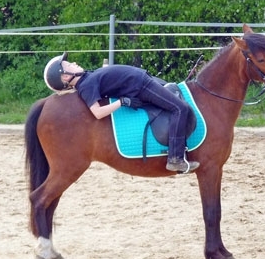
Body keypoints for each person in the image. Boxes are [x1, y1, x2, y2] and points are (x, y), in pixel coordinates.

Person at [43, 52, 200, 173]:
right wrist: (122, 102)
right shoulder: (85, 86)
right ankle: (175, 158)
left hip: (143, 82)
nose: (74, 63)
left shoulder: (87, 78)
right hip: (142, 86)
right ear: (65, 77)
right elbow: (97, 112)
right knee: (180, 108)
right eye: (69, 65)